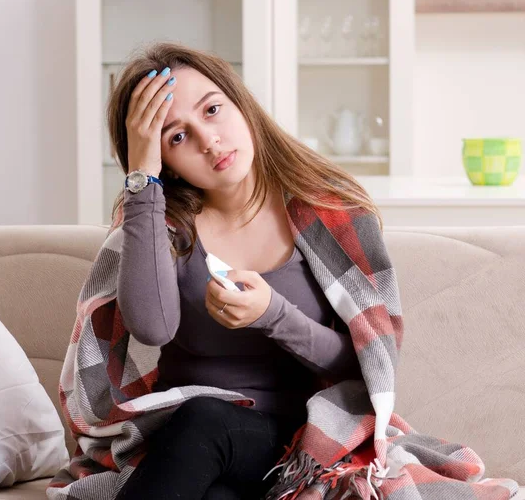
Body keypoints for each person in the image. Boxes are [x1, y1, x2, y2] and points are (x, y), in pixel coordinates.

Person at [107, 42, 382, 500]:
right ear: (164, 164)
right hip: (189, 448)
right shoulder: (160, 224)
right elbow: (152, 327)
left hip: (297, 444)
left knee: (207, 418)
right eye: (176, 137)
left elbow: (365, 362)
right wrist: (142, 180)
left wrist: (273, 313)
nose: (208, 140)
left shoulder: (330, 214)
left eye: (212, 110)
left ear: (240, 102)